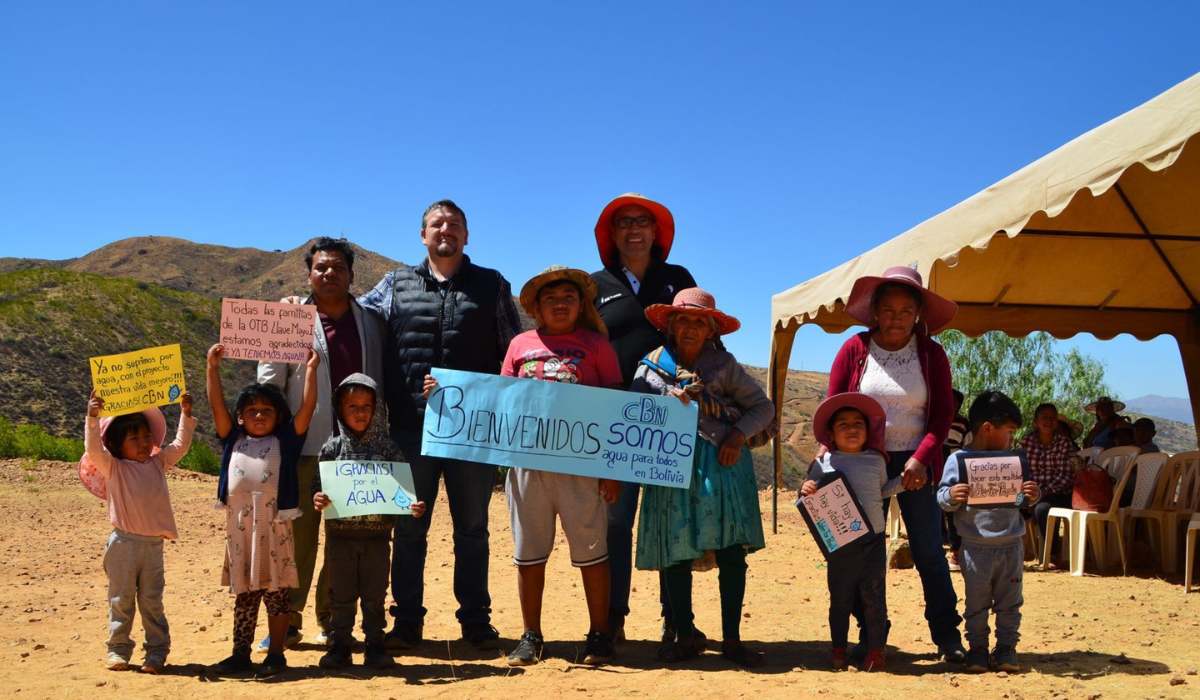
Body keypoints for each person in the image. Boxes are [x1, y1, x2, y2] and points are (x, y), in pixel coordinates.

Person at [360, 199, 522, 650]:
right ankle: (407, 622)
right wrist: (304, 305)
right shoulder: (395, 284)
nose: (445, 230)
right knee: (409, 529)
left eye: (454, 224)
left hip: (473, 433)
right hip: (411, 429)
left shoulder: (492, 286)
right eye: (436, 223)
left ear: (467, 235)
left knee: (472, 530)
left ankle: (475, 622)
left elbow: (514, 353)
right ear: (422, 234)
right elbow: (353, 316)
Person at [827, 265, 966, 663]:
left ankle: (947, 637)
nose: (896, 318)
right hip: (862, 464)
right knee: (860, 552)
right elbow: (834, 406)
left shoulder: (931, 354)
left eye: (906, 311)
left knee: (928, 551)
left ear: (918, 315)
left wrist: (922, 458)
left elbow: (941, 416)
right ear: (874, 311)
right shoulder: (854, 349)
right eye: (888, 309)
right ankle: (871, 635)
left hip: (916, 465)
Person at [633, 288, 774, 667]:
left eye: (700, 322)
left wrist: (737, 435)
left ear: (712, 330)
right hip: (670, 467)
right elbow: (633, 412)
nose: (692, 328)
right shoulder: (650, 366)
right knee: (675, 552)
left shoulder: (725, 367)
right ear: (672, 325)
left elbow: (763, 407)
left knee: (730, 551)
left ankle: (732, 639)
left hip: (722, 465)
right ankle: (683, 634)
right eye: (685, 320)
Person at [258, 236, 386, 649]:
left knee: (344, 537)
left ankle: (332, 618)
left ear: (351, 274)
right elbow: (269, 382)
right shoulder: (290, 317)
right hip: (306, 445)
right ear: (309, 273)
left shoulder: (369, 320)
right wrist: (274, 440)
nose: (329, 273)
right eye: (321, 268)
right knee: (298, 539)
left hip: (357, 451)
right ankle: (286, 619)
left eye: (338, 268)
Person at [492, 267, 622, 666]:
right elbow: (500, 401)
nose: (560, 303)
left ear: (581, 304)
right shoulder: (519, 345)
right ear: (536, 307)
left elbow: (615, 408)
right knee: (529, 552)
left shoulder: (597, 346)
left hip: (583, 467)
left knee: (592, 551)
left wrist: (611, 469)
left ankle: (600, 634)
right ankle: (531, 636)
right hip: (528, 467)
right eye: (551, 298)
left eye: (568, 296)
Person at [589, 193, 700, 642]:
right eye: (624, 223)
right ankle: (613, 617)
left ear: (657, 233)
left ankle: (677, 619)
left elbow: (702, 332)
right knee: (615, 522)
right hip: (615, 418)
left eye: (642, 222)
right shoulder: (594, 284)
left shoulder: (678, 278)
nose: (634, 230)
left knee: (673, 515)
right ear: (611, 235)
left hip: (672, 417)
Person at [207, 343, 319, 677]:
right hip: (241, 534)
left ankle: (276, 655)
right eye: (252, 410)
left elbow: (307, 409)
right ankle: (239, 654)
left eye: (267, 410)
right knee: (245, 597)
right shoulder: (232, 438)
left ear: (279, 416)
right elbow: (216, 407)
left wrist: (311, 370)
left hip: (274, 533)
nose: (259, 415)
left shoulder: (286, 440)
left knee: (277, 597)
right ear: (240, 416)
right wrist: (211, 368)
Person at [312, 373, 427, 670]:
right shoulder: (331, 449)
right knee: (341, 594)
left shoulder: (388, 449)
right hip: (340, 538)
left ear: (376, 409)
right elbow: (319, 488)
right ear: (340, 408)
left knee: (375, 594)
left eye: (366, 405)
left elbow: (401, 494)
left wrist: (411, 507)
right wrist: (319, 499)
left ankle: (375, 645)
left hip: (377, 538)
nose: (360, 412)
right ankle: (340, 646)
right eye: (352, 406)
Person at [81, 391, 195, 673]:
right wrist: (93, 418)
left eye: (146, 437)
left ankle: (156, 652)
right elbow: (94, 451)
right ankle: (118, 650)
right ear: (117, 445)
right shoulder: (114, 467)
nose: (144, 443)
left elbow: (180, 445)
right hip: (123, 544)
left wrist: (185, 414)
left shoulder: (159, 462)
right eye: (134, 439)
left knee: (151, 600)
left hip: (153, 546)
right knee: (120, 599)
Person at [938, 391, 1040, 673]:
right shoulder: (958, 460)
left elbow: (1017, 504)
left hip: (1011, 547)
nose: (1011, 438)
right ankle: (978, 650)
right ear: (987, 428)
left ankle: (1006, 649)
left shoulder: (1013, 463)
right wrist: (952, 495)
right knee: (976, 603)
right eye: (1008, 431)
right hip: (975, 549)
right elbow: (942, 500)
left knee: (1011, 602)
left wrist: (1028, 496)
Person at [800, 392, 901, 672]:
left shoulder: (876, 461)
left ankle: (875, 653)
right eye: (843, 424)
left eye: (858, 423)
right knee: (840, 599)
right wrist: (806, 489)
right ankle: (838, 651)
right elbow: (809, 496)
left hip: (873, 542)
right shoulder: (823, 463)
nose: (852, 428)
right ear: (831, 432)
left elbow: (883, 491)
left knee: (874, 599)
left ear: (868, 430)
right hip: (840, 546)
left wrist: (904, 482)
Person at [1018, 403, 1075, 560]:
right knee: (1012, 503)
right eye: (1044, 417)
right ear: (1035, 422)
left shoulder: (1064, 443)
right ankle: (1015, 551)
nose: (1048, 421)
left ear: (1056, 422)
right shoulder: (1026, 443)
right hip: (1030, 493)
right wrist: (1028, 493)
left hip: (1057, 494)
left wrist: (1040, 493)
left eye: (1052, 418)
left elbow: (1066, 476)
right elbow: (1020, 472)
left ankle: (1053, 553)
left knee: (1043, 509)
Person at [943, 389, 970, 571]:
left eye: (955, 402)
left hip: (954, 473)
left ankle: (956, 551)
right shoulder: (929, 420)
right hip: (931, 472)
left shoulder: (963, 424)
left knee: (953, 511)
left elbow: (967, 449)